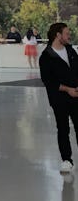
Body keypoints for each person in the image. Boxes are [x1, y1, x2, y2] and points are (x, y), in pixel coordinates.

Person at [39, 22, 78, 174]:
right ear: (58, 35)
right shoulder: (46, 57)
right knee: (63, 128)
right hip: (59, 99)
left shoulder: (71, 51)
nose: (69, 36)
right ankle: (67, 160)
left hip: (76, 96)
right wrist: (68, 90)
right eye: (67, 33)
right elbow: (48, 81)